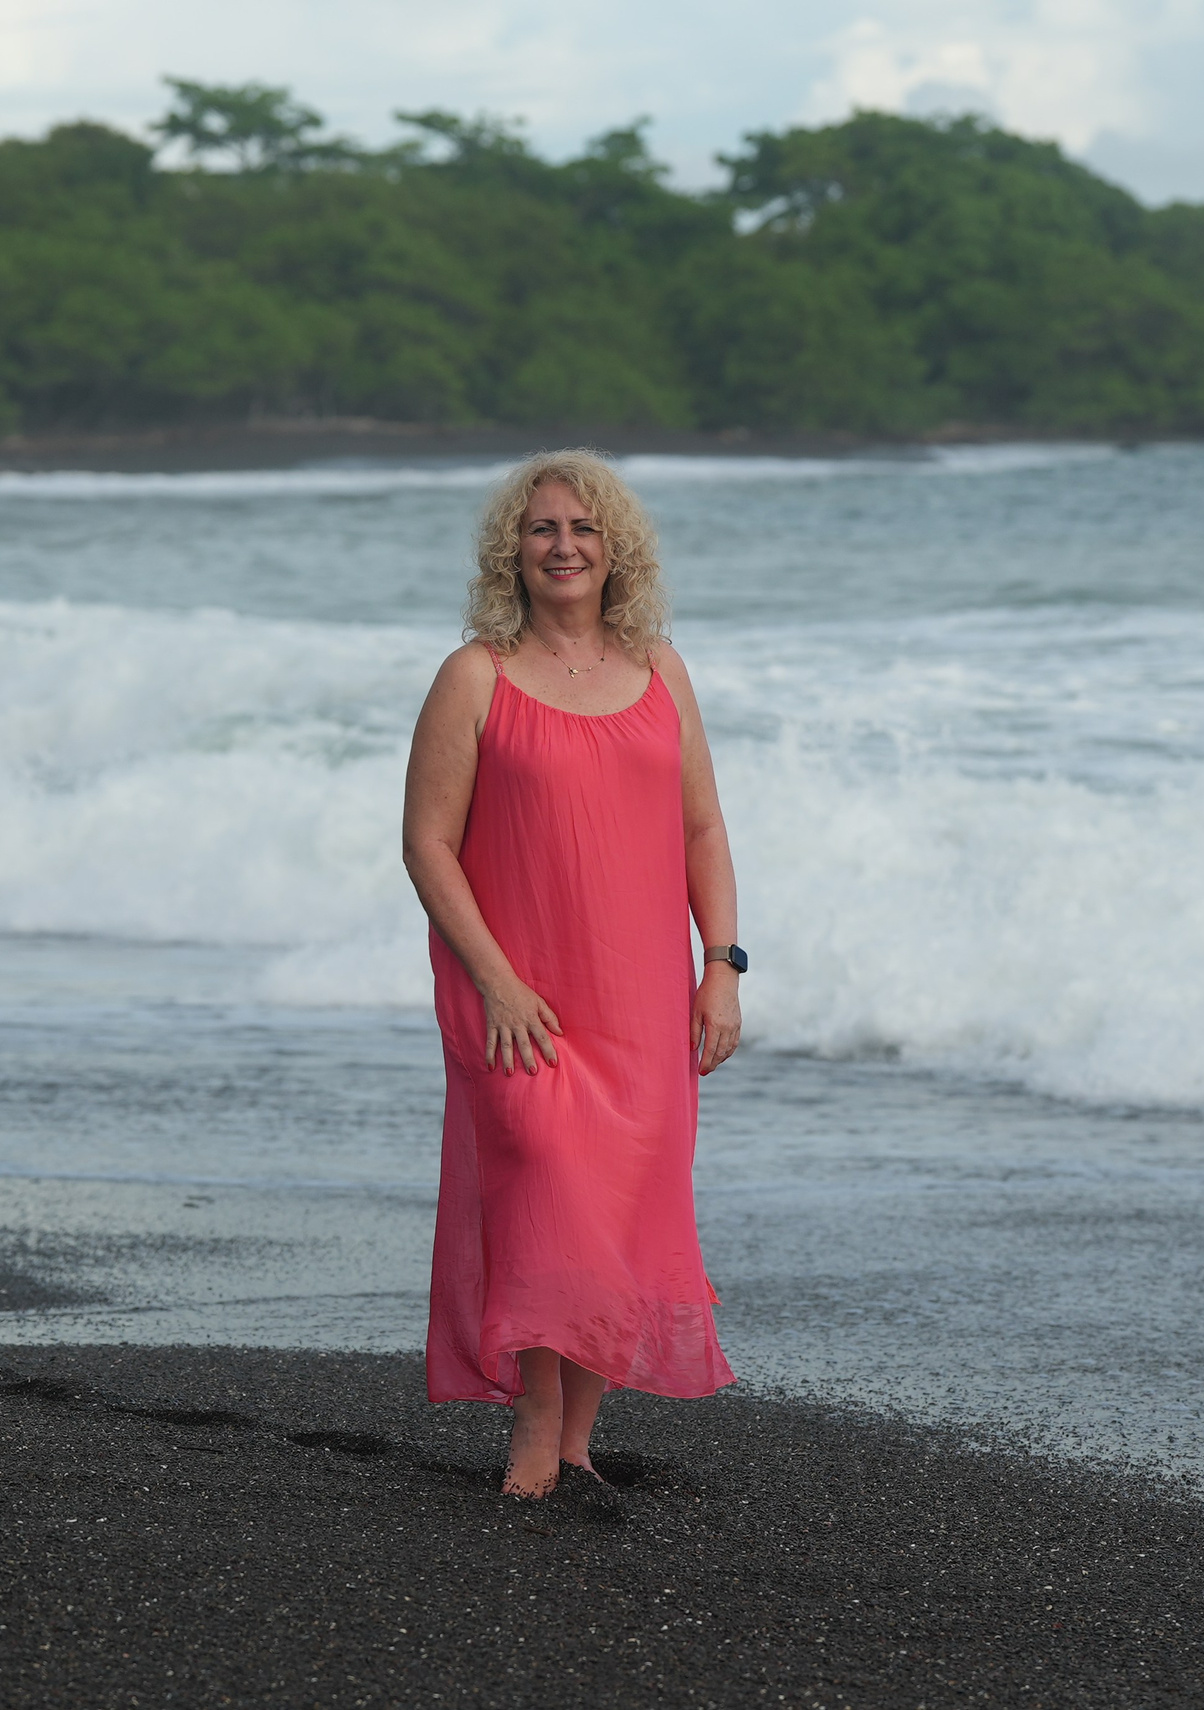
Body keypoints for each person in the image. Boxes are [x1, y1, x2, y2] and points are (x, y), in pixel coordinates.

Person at [401, 449, 743, 1500]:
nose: (564, 546)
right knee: (548, 1188)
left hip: (640, 998)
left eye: (584, 530)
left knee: (620, 1210)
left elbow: (700, 826)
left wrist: (720, 966)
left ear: (614, 551)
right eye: (544, 528)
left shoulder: (661, 671)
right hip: (518, 996)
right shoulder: (474, 675)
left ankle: (580, 1445)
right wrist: (498, 982)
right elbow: (426, 844)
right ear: (514, 548)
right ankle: (534, 1428)